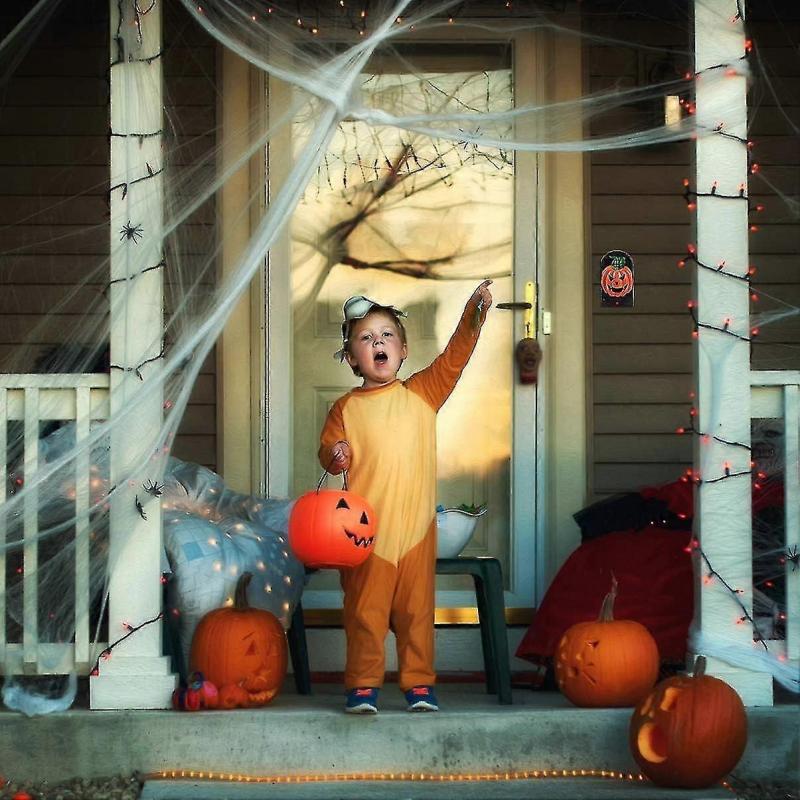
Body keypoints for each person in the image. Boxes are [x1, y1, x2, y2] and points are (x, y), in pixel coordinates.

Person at [318, 280, 493, 713]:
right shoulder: (345, 408)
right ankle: (363, 685)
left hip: (416, 530)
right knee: (365, 613)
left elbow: (453, 360)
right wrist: (336, 454)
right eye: (365, 338)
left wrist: (473, 315)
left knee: (417, 614)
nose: (377, 342)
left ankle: (419, 684)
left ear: (403, 350)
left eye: (386, 335)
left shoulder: (422, 393)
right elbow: (329, 452)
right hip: (366, 534)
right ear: (352, 358)